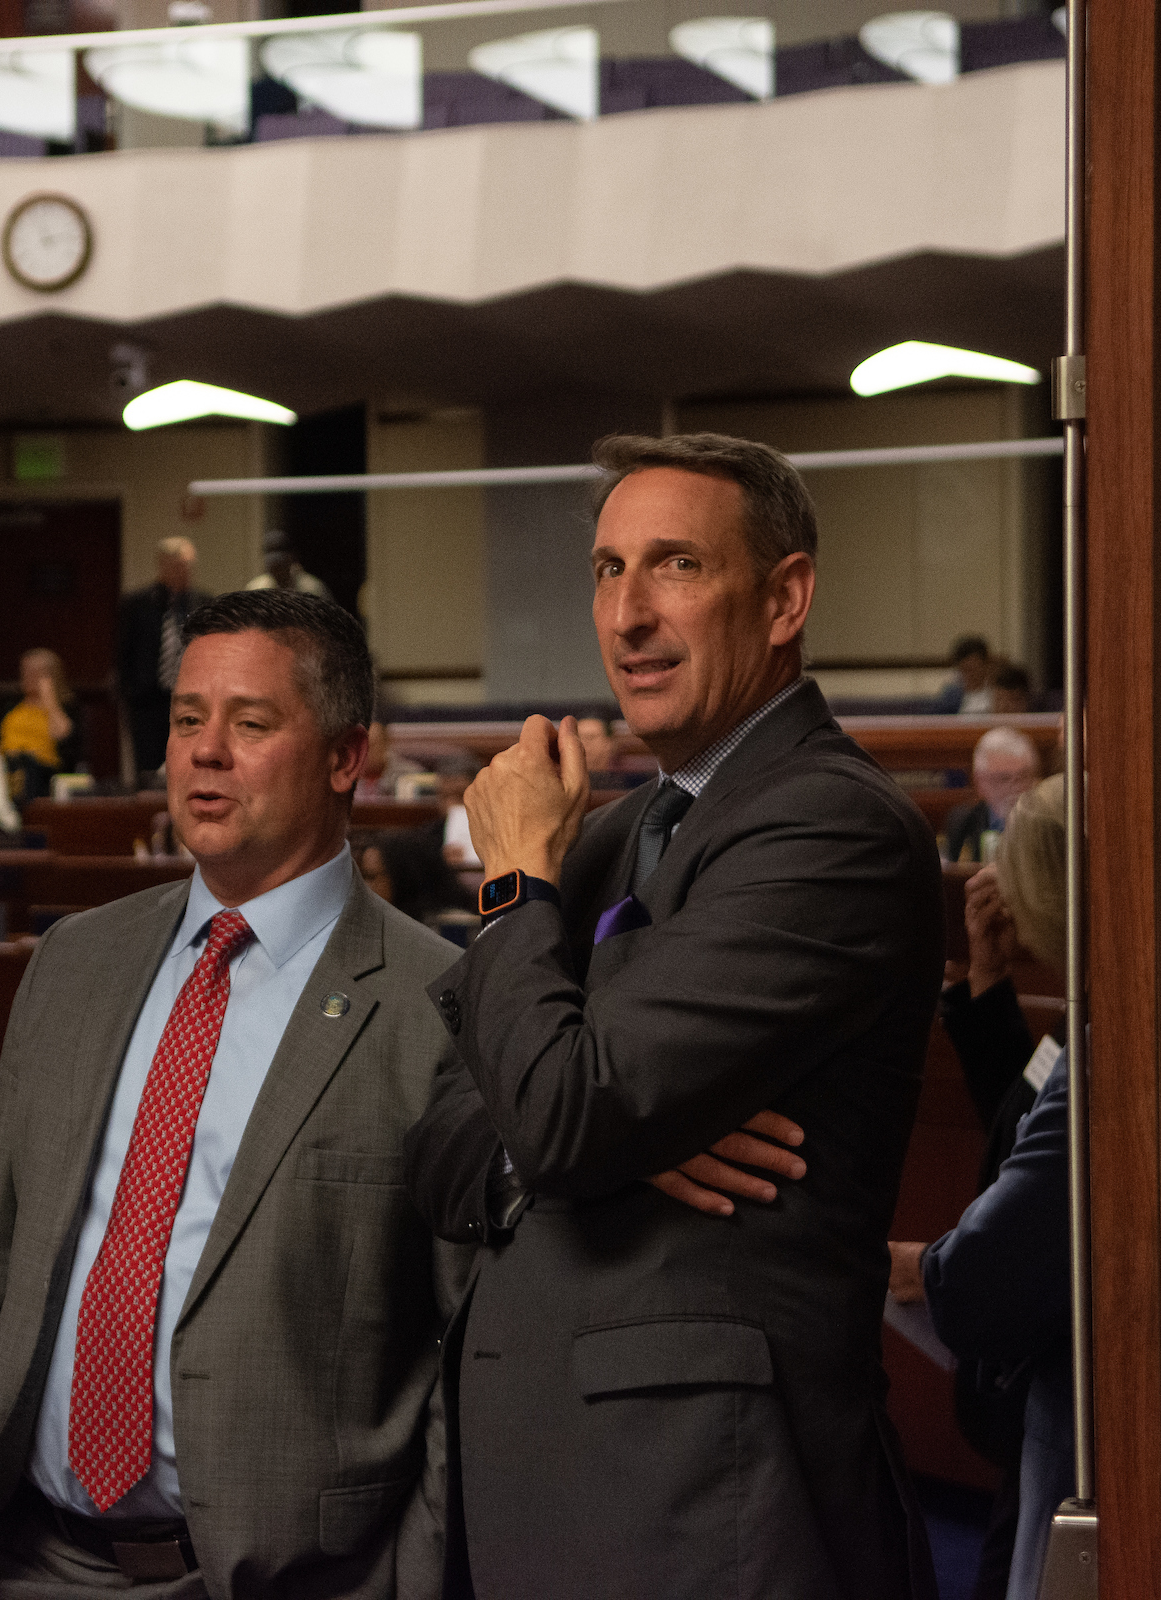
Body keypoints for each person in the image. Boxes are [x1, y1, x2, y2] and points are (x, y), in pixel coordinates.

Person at [403, 432, 942, 1600]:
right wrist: (596, 1138)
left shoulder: (830, 825)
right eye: (607, 570)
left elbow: (562, 1110)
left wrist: (510, 888)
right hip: (544, 1490)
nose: (629, 613)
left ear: (786, 596)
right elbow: (440, 1145)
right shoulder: (604, 836)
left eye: (676, 566)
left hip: (707, 1511)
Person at [0, 589, 468, 1599]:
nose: (204, 751)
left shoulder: (437, 1007)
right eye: (184, 720)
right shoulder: (75, 960)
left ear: (347, 756)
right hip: (23, 1559)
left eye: (250, 723)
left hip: (280, 1576)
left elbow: (467, 1354)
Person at [891, 775, 1072, 1600]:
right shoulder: (1092, 1007)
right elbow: (1025, 1116)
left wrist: (929, 1268)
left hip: (1062, 1395)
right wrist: (989, 978)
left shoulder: (1129, 1012)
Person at [117, 536, 211, 781]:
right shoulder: (137, 603)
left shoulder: (203, 602)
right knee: (148, 765)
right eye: (180, 565)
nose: (186, 571)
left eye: (190, 565)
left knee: (188, 761)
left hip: (190, 697)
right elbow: (123, 652)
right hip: (147, 698)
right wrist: (127, 690)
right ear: (164, 565)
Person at [944, 725, 1043, 864]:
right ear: (980, 782)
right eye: (1004, 779)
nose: (1016, 788)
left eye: (1024, 776)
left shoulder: (1047, 822)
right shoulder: (964, 821)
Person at [0, 647, 85, 799]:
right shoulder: (10, 705)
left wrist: (49, 699)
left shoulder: (66, 708)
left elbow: (65, 738)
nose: (26, 676)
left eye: (34, 672)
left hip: (42, 772)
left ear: (50, 676)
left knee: (28, 767)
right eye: (24, 671)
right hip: (5, 766)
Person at [358, 827, 474, 927]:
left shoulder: (453, 926)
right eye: (363, 877)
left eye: (371, 877)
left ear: (402, 878)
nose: (365, 887)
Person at [242, 530, 331, 600]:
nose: (278, 571)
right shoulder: (256, 588)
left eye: (280, 566)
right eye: (273, 568)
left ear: (291, 558)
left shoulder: (312, 588)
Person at [936, 634, 992, 713]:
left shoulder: (996, 694)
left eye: (974, 668)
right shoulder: (951, 696)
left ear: (986, 665)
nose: (970, 674)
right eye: (965, 670)